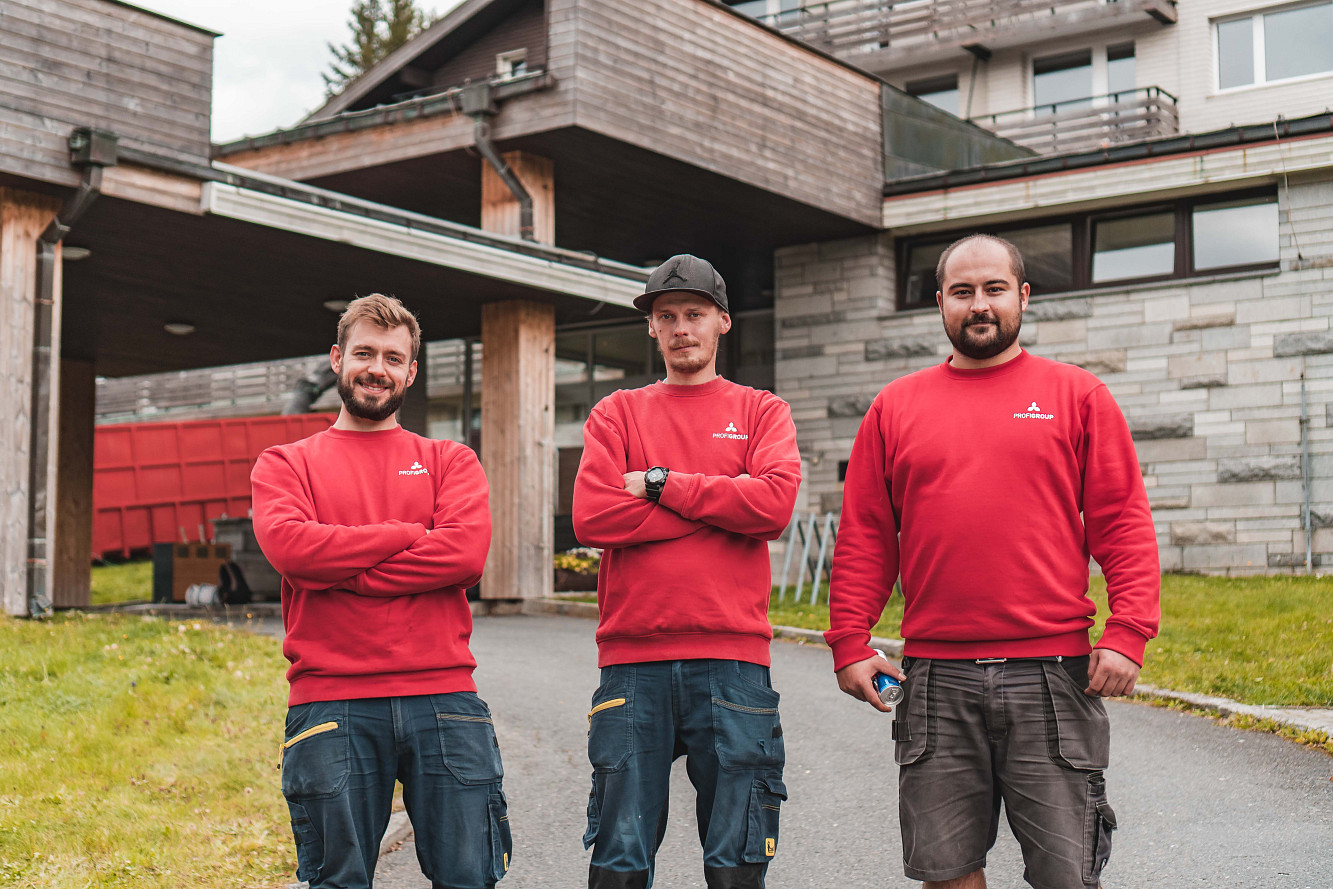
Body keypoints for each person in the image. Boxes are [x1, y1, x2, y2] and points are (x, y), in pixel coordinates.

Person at [828, 234, 1160, 889]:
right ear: (940, 303)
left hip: (1053, 676)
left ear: (1022, 297)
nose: (978, 304)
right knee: (947, 873)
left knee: (1067, 875)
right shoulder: (894, 407)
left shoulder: (1077, 395)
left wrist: (1128, 631)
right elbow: (866, 535)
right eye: (962, 291)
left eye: (993, 289)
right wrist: (848, 641)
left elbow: (1121, 520)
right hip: (936, 680)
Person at [251, 294, 510, 889]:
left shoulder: (450, 460)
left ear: (411, 372)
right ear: (337, 359)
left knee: (470, 877)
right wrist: (405, 533)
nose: (378, 369)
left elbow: (464, 555)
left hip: (443, 697)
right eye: (364, 353)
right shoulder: (285, 463)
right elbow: (292, 551)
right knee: (338, 881)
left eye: (393, 358)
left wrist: (341, 569)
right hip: (331, 701)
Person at [572, 255, 801, 889]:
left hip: (732, 659)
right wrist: (722, 507)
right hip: (632, 659)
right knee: (619, 858)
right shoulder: (617, 412)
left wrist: (660, 484)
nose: (681, 328)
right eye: (666, 316)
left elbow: (773, 506)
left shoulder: (761, 411)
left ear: (722, 321)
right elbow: (592, 516)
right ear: (651, 327)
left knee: (736, 861)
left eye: (694, 314)